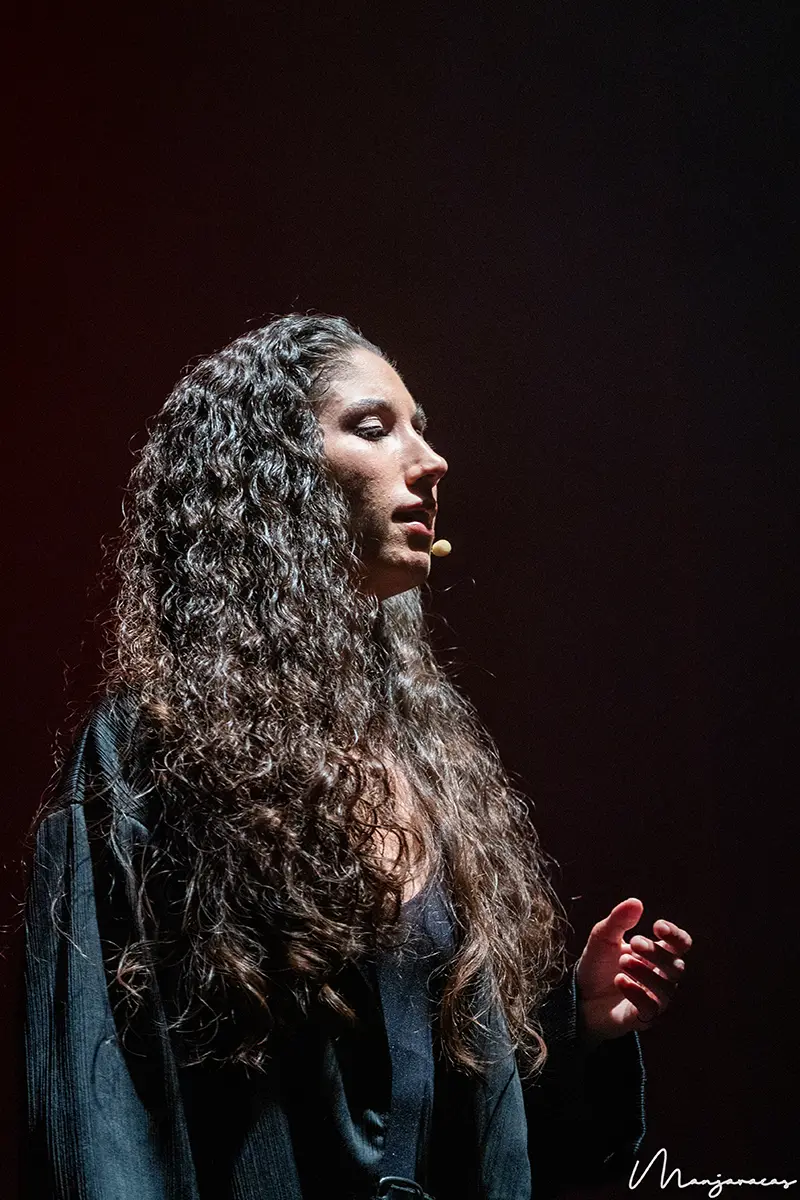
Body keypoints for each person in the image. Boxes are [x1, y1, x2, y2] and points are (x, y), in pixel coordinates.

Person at [24, 313, 692, 1200]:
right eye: (374, 428)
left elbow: (450, 1104)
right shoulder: (151, 755)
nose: (431, 458)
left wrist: (580, 1031)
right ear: (275, 480)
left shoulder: (424, 762)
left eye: (421, 425)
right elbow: (102, 1106)